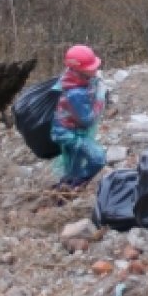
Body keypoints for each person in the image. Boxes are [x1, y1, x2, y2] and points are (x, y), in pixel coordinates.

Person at [50, 44, 107, 189]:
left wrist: (95, 82)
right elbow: (87, 120)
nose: (95, 70)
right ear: (80, 71)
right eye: (91, 69)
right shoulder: (75, 94)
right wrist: (100, 98)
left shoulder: (70, 77)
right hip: (68, 134)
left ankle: (68, 185)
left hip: (69, 130)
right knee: (98, 158)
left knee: (74, 165)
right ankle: (76, 185)